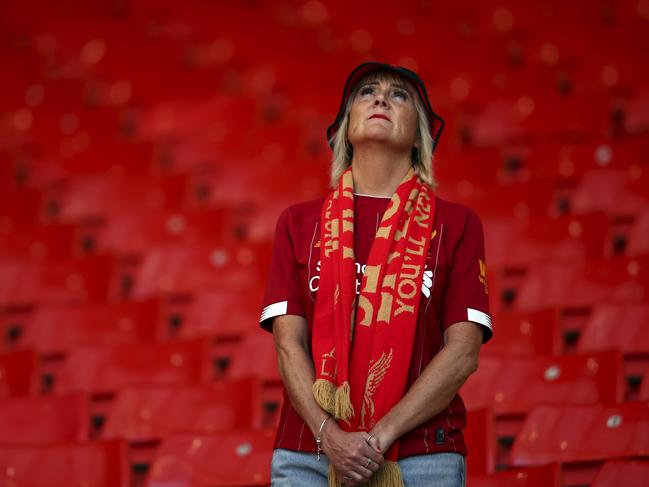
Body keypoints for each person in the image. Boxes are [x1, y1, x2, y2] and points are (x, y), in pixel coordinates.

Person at [259, 62, 493, 487]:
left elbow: (463, 352)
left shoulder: (457, 224)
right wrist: (330, 437)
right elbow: (287, 344)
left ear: (420, 137)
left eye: (399, 95)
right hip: (308, 453)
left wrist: (374, 441)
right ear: (346, 128)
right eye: (367, 92)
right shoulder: (297, 223)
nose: (381, 98)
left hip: (421, 455)